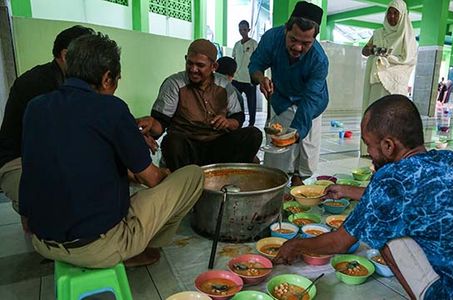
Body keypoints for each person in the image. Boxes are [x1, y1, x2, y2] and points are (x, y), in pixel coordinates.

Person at [274, 95, 453, 299]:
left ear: (388, 145)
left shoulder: (392, 179)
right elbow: (413, 195)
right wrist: (348, 191)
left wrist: (294, 246)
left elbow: (340, 242)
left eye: (368, 144)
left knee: (387, 235)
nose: (369, 153)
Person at [19, 33, 204, 268]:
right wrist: (169, 175)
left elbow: (38, 169)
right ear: (107, 78)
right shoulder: (111, 108)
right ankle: (140, 249)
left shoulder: (35, 108)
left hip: (42, 242)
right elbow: (151, 179)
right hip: (96, 248)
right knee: (192, 176)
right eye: (117, 80)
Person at [0, 25, 95, 216]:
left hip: (47, 157)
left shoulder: (75, 81)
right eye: (89, 56)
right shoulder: (37, 84)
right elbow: (60, 141)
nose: (95, 63)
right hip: (19, 162)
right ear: (66, 55)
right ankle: (27, 207)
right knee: (63, 197)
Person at [137, 39, 262, 171]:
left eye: (200, 65)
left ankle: (227, 176)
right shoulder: (174, 84)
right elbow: (161, 122)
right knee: (172, 141)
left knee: (253, 135)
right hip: (188, 147)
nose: (193, 69)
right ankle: (186, 181)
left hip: (217, 145)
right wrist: (151, 125)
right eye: (189, 63)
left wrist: (227, 122)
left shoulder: (224, 86)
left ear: (214, 67)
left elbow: (237, 118)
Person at [248, 1, 329, 186]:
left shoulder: (319, 60)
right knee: (279, 152)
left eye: (306, 43)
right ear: (286, 29)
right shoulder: (272, 38)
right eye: (293, 39)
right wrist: (261, 78)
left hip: (312, 103)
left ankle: (298, 179)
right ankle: (277, 182)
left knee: (306, 150)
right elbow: (256, 64)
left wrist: (296, 133)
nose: (298, 48)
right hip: (282, 98)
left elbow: (309, 101)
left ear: (315, 39)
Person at [360, 0, 417, 156]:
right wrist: (371, 50)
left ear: (402, 15)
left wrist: (389, 60)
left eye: (395, 13)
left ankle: (391, 152)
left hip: (394, 84)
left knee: (391, 118)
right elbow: (364, 51)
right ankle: (371, 150)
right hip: (377, 80)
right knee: (374, 115)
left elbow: (409, 60)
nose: (391, 16)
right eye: (389, 13)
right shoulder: (378, 33)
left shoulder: (407, 35)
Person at [232, 20, 258, 126]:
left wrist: (255, 79)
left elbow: (257, 60)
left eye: (244, 29)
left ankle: (251, 123)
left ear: (248, 30)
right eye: (240, 29)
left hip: (249, 79)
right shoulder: (237, 44)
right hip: (237, 79)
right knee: (236, 102)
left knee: (251, 103)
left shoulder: (253, 44)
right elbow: (234, 59)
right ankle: (238, 121)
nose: (242, 31)